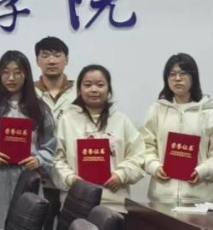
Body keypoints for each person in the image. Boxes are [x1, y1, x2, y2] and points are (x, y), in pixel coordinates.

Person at [0, 50, 56, 230]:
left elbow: (50, 147)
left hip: (27, 177)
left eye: (17, 72)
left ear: (26, 75)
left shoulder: (39, 110)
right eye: (5, 72)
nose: (11, 78)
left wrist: (38, 159)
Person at [141, 53, 213, 202]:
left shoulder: (209, 112)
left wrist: (202, 171)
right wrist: (154, 166)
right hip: (163, 198)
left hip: (201, 200)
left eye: (183, 73)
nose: (177, 79)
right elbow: (145, 146)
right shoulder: (156, 111)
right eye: (172, 74)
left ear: (193, 77)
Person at [52, 64, 146, 204]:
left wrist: (121, 175)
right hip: (77, 200)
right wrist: (71, 179)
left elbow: (138, 155)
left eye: (100, 85)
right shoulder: (67, 119)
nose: (94, 89)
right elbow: (56, 159)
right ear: (79, 90)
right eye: (88, 85)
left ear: (109, 89)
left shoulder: (121, 120)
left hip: (114, 202)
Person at [34, 36, 77, 230]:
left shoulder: (81, 92)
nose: (51, 60)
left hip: (72, 175)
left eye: (57, 55)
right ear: (37, 61)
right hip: (39, 174)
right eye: (45, 55)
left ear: (66, 60)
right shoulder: (28, 92)